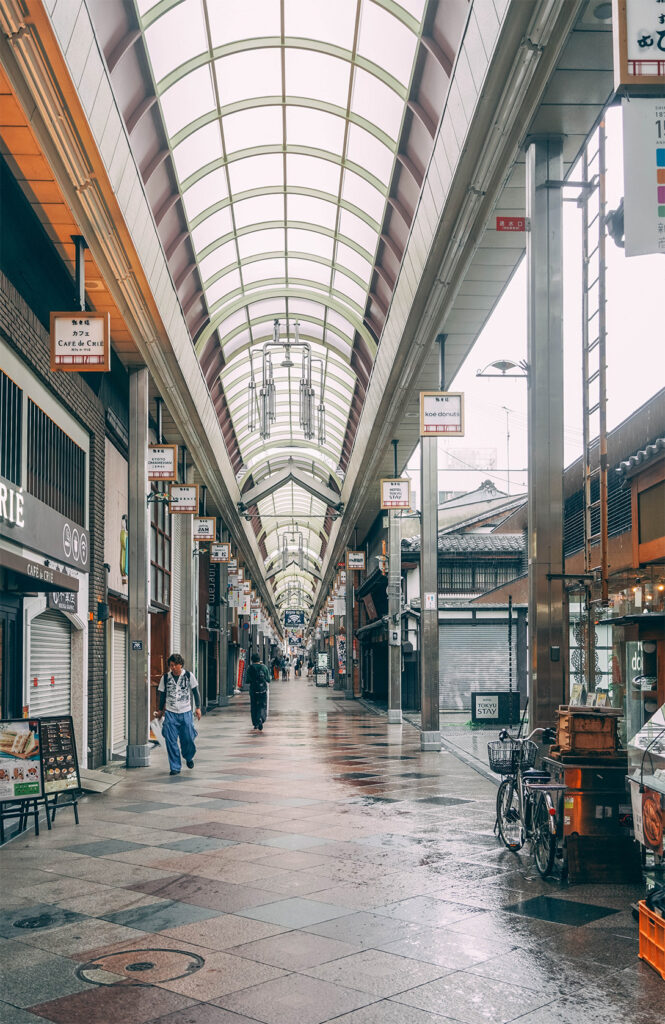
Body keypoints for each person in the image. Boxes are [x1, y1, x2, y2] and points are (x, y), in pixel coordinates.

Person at [156, 653, 201, 775]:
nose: (172, 668)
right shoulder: (165, 678)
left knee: (188, 738)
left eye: (174, 665)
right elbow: (162, 695)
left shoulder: (188, 675)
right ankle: (175, 767)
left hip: (185, 711)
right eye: (171, 665)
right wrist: (160, 710)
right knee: (170, 740)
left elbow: (195, 692)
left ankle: (188, 756)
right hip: (171, 712)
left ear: (180, 665)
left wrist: (198, 708)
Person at [246, 652, 270, 731]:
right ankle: (261, 719)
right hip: (262, 690)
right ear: (259, 659)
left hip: (253, 690)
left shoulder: (250, 668)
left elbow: (247, 680)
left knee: (254, 706)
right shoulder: (264, 668)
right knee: (262, 705)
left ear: (252, 660)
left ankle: (255, 723)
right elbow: (268, 679)